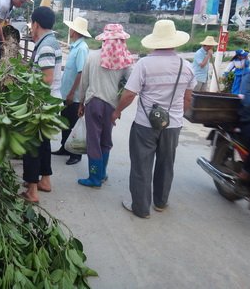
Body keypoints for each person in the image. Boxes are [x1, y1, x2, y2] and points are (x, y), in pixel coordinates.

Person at [111, 19, 196, 219]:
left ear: (155, 41)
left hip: (145, 124)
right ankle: (160, 202)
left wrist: (116, 111)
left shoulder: (144, 64)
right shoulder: (187, 66)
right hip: (172, 125)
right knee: (166, 164)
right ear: (174, 41)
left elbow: (129, 94)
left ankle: (141, 208)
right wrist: (176, 117)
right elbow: (188, 98)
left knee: (141, 165)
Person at [78, 24, 134, 187]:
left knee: (93, 140)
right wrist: (120, 108)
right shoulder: (126, 60)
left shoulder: (92, 56)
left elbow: (84, 82)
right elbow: (130, 85)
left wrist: (81, 102)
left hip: (93, 102)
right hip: (111, 105)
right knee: (106, 140)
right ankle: (102, 174)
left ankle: (94, 178)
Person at [21, 6, 62, 203]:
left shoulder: (45, 46)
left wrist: (24, 84)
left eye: (31, 24)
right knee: (44, 143)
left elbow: (46, 78)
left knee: (32, 144)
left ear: (36, 24)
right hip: (49, 103)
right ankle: (45, 180)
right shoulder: (50, 41)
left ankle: (32, 191)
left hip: (41, 103)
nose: (31, 28)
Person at [53, 17, 90, 165]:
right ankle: (65, 147)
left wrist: (71, 92)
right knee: (65, 122)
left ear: (74, 31)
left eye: (71, 28)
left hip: (73, 95)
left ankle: (75, 154)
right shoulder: (75, 47)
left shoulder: (81, 49)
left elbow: (81, 73)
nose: (70, 30)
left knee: (72, 123)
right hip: (67, 92)